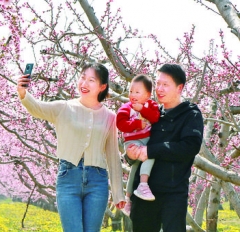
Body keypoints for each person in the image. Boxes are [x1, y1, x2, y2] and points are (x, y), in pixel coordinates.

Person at [17, 62, 125, 232]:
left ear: (102, 86)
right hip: (68, 178)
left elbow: (113, 156)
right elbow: (37, 108)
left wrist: (118, 193)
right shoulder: (64, 107)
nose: (84, 83)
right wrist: (23, 92)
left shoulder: (110, 117)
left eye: (91, 80)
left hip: (98, 181)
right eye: (82, 77)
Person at [126, 64, 204, 232]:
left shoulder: (191, 114)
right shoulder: (150, 113)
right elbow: (137, 142)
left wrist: (152, 150)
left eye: (165, 84)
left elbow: (190, 146)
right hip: (143, 193)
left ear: (179, 87)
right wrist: (130, 155)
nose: (159, 89)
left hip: (173, 194)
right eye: (158, 83)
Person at [116, 74, 160, 216]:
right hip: (133, 142)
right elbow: (120, 124)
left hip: (147, 141)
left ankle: (128, 198)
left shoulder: (150, 105)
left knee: (135, 168)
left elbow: (155, 117)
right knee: (148, 155)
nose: (132, 95)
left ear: (147, 94)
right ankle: (142, 185)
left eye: (137, 92)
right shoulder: (126, 108)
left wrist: (142, 109)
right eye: (130, 91)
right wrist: (136, 123)